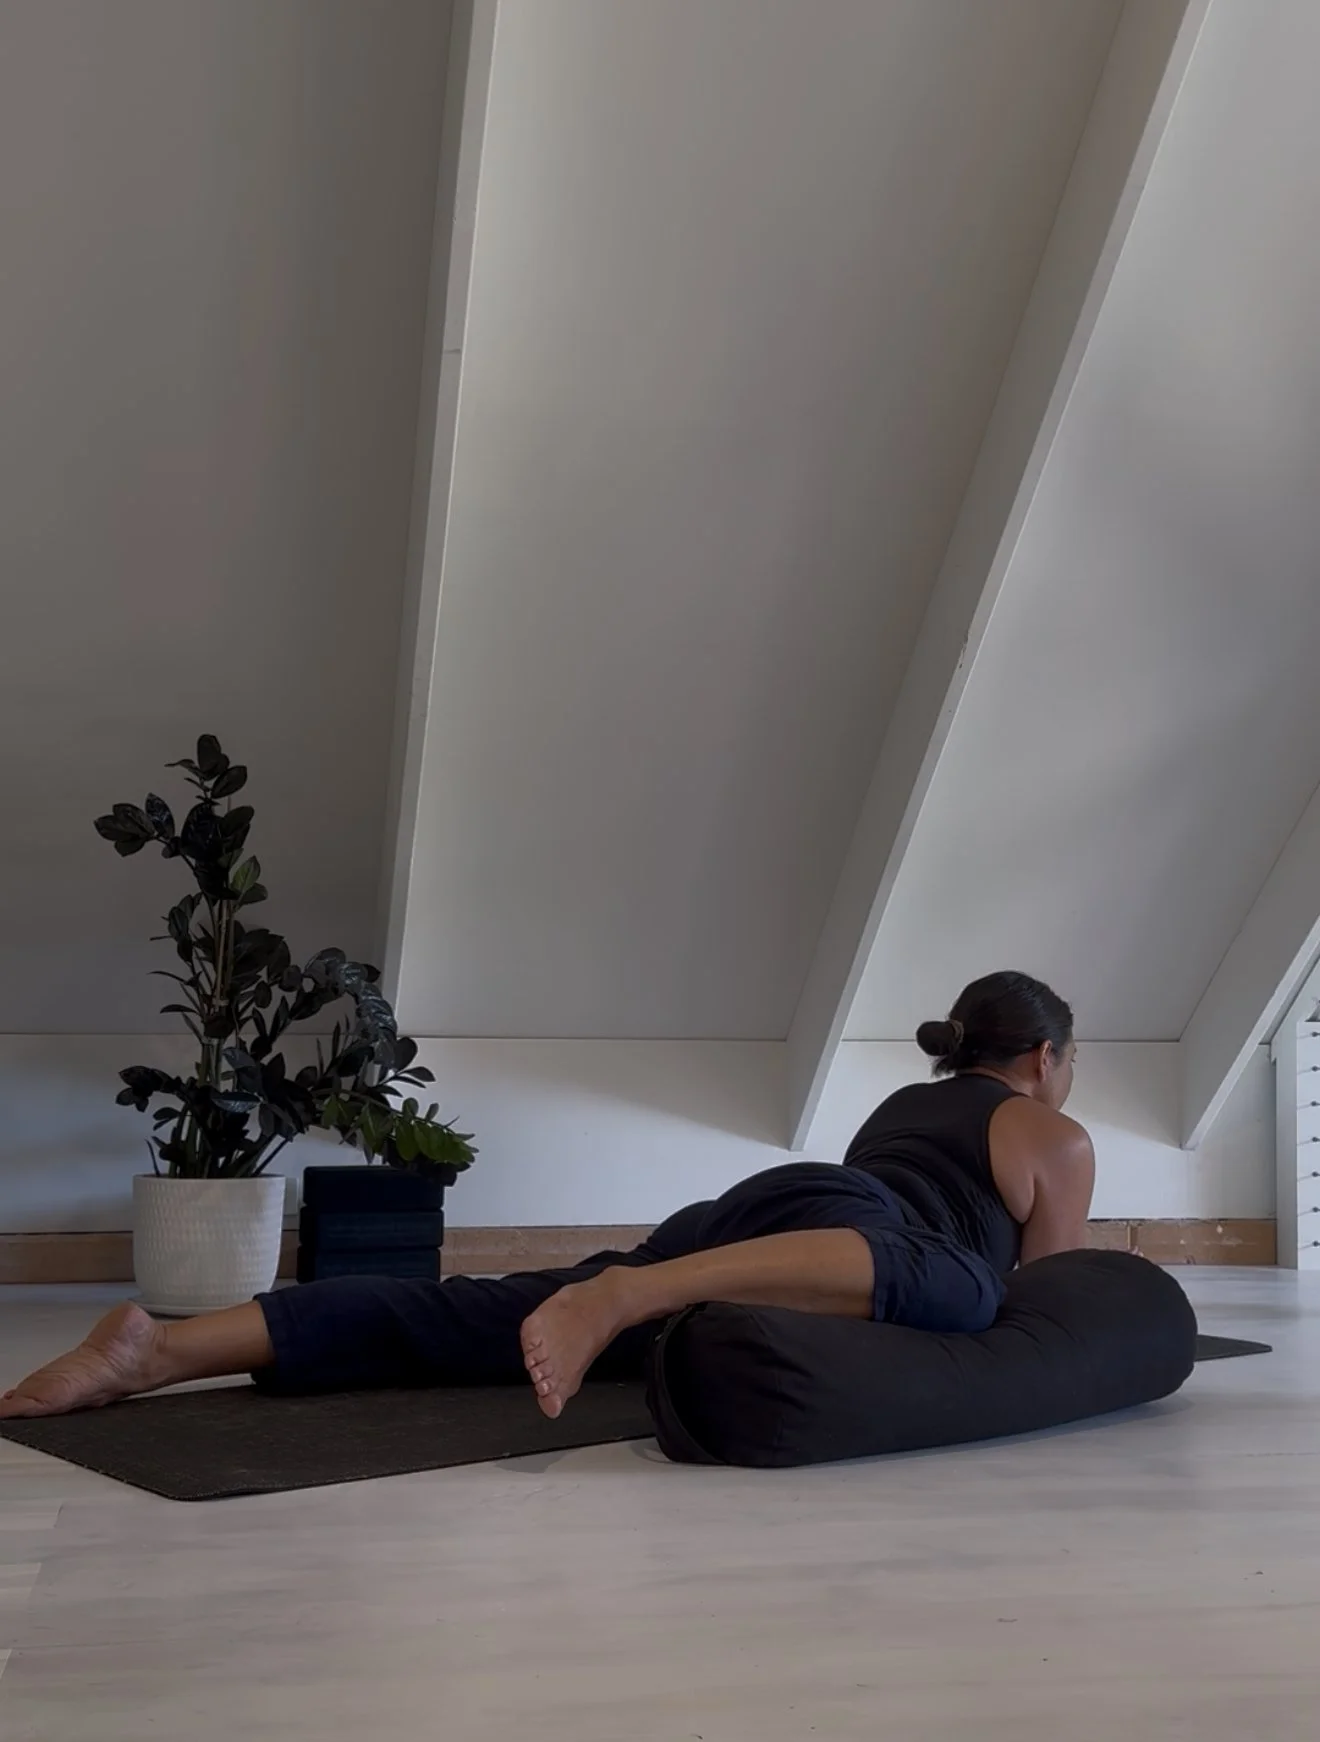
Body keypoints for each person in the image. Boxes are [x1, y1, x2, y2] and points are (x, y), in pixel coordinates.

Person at [0, 971, 1094, 1425]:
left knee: (489, 1307)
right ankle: (625, 1292)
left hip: (778, 1210)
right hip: (849, 1234)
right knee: (961, 1290)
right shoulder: (1055, 1131)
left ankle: (161, 1347)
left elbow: (840, 1215)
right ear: (1044, 1055)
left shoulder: (909, 1100)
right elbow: (1049, 1306)